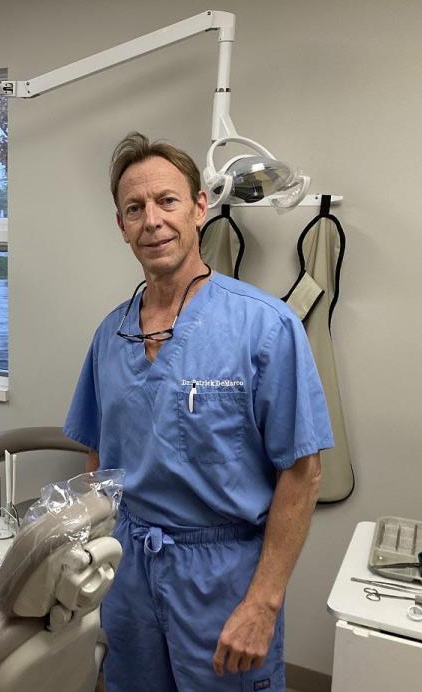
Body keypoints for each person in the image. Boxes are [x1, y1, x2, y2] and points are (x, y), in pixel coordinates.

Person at [63, 132, 333, 692]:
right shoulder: (109, 336)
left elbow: (303, 474)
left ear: (199, 208)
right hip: (129, 573)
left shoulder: (264, 327)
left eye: (167, 201)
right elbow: (97, 459)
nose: (152, 221)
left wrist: (262, 602)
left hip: (223, 578)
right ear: (121, 226)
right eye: (134, 209)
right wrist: (86, 555)